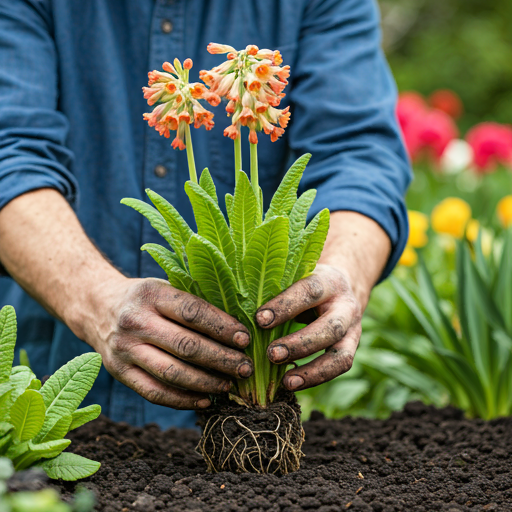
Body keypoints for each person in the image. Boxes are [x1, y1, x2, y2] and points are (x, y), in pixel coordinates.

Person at [0, 0, 411, 429]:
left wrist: (340, 273)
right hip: (55, 389)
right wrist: (95, 299)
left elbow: (359, 156)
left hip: (251, 407)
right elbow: (9, 150)